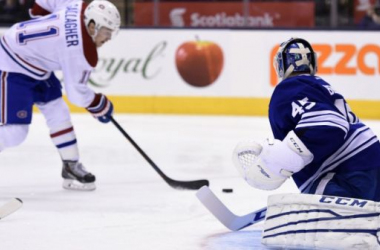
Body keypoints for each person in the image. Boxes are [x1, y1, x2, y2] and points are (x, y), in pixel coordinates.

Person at [233, 37, 380, 249]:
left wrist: (277, 162)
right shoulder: (319, 86)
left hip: (345, 175)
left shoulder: (288, 89)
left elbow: (330, 125)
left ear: (281, 65)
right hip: (371, 165)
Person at [0, 0, 120, 191]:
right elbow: (77, 94)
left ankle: (70, 165)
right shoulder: (80, 51)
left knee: (58, 111)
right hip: (12, 62)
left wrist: (37, 13)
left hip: (34, 62)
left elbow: (45, 2)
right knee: (15, 132)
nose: (109, 38)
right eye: (106, 33)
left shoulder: (78, 6)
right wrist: (100, 104)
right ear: (92, 26)